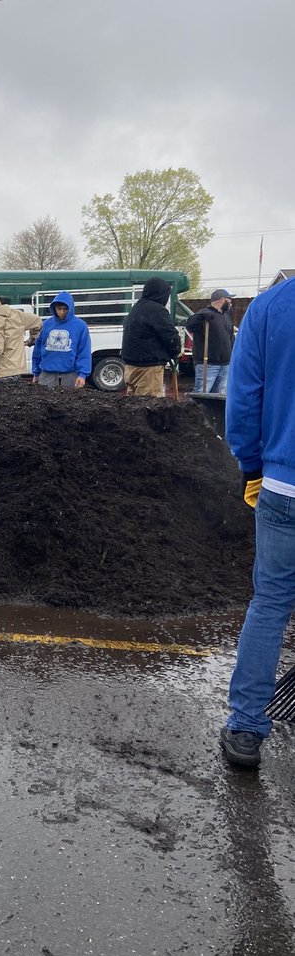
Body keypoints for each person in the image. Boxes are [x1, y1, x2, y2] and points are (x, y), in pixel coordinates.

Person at [220, 278, 295, 768]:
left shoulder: (270, 307)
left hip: (285, 485)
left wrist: (250, 465)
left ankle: (246, 729)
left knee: (269, 603)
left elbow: (244, 398)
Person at [120, 277, 181, 397]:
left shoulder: (137, 307)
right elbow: (170, 335)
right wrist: (176, 351)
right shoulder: (157, 310)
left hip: (130, 366)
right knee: (148, 406)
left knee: (132, 406)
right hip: (148, 368)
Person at [31, 291, 92, 389]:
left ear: (71, 308)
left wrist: (82, 375)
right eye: (59, 309)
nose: (62, 312)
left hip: (70, 376)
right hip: (46, 376)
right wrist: (36, 372)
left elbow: (84, 352)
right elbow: (37, 351)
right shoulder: (45, 325)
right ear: (54, 308)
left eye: (65, 309)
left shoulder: (80, 326)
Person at [185, 288, 235, 395]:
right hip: (208, 365)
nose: (231, 303)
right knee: (202, 395)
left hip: (225, 364)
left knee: (219, 396)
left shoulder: (226, 318)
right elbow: (189, 325)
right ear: (222, 300)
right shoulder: (205, 315)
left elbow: (231, 338)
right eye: (229, 300)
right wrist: (200, 317)